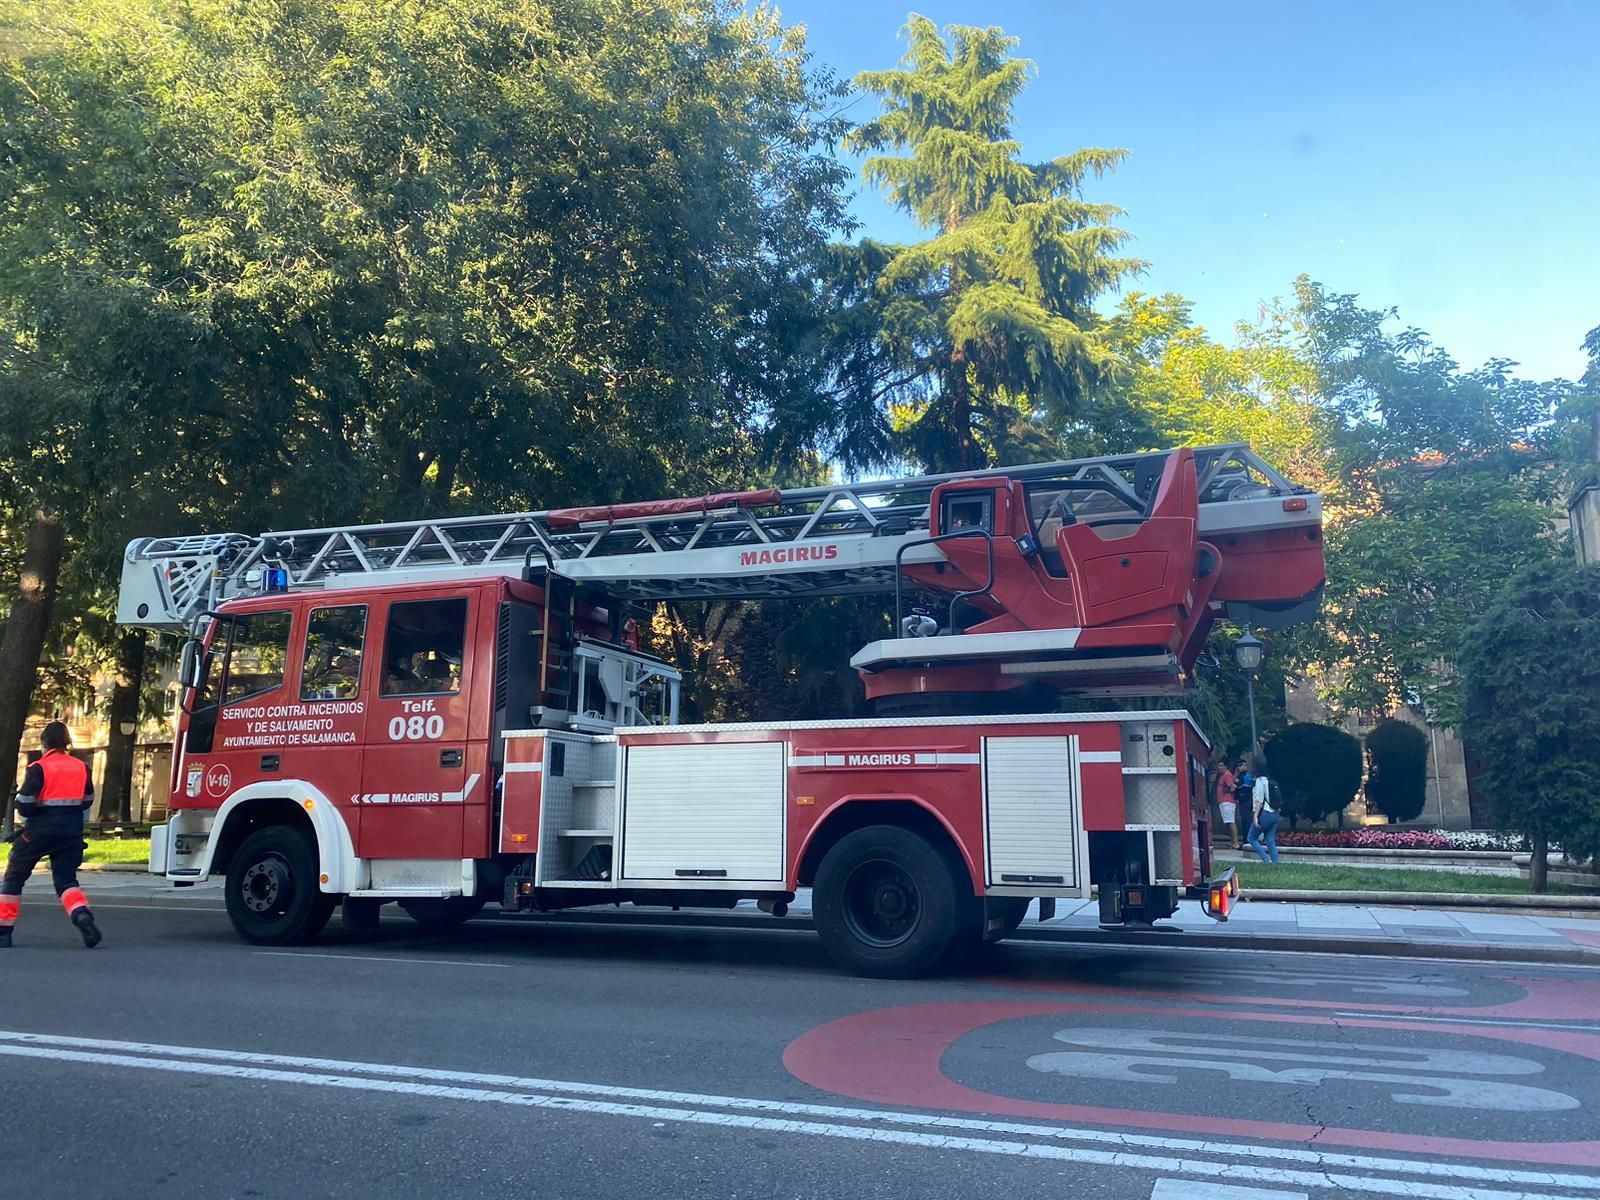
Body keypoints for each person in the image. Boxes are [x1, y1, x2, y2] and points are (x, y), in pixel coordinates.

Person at [1, 722, 103, 948]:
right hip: (71, 832)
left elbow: (25, 804)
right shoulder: (81, 767)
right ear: (67, 742)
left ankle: (3, 932)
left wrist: (28, 807)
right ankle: (81, 915)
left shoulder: (38, 768)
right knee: (66, 881)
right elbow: (87, 800)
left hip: (38, 831)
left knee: (14, 878)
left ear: (44, 743)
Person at [1246, 753, 1281, 864]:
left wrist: (1255, 817)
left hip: (1265, 813)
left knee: (1251, 838)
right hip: (1275, 813)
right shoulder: (1269, 780)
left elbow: (1259, 801)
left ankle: (1266, 860)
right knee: (1270, 840)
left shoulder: (1260, 781)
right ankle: (1276, 862)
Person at [1214, 759, 1239, 850]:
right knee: (1228, 822)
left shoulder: (1227, 775)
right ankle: (1232, 842)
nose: (1219, 768)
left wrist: (1228, 791)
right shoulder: (1224, 775)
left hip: (1227, 801)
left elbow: (1232, 786)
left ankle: (1235, 843)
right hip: (1224, 801)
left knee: (1231, 822)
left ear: (1225, 767)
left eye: (1221, 766)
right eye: (1218, 766)